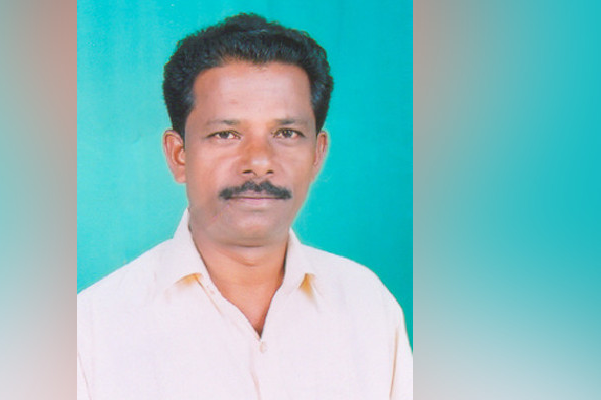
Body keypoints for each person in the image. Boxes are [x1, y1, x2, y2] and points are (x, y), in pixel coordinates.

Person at [78, 13, 412, 400]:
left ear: (317, 155)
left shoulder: (369, 308)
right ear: (179, 155)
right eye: (226, 134)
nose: (259, 161)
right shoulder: (91, 331)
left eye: (286, 133)